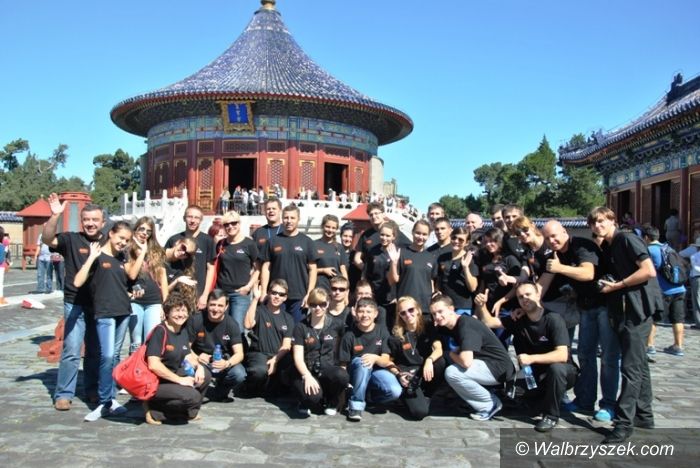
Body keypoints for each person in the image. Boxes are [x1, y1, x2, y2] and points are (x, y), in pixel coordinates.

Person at [539, 220, 619, 423]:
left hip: (605, 304)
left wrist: (560, 268)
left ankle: (608, 404)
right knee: (584, 355)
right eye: (547, 238)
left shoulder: (581, 245)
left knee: (608, 357)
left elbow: (587, 273)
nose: (552, 240)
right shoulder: (555, 255)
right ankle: (585, 400)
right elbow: (543, 283)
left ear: (564, 231)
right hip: (585, 306)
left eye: (554, 235)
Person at [589, 206, 657, 444]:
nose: (598, 225)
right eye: (594, 223)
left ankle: (623, 423)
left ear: (612, 220)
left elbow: (648, 271)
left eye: (602, 221)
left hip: (636, 311)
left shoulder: (627, 239)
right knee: (638, 364)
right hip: (624, 311)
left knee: (630, 367)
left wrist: (618, 285)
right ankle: (644, 414)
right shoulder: (609, 246)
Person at [477, 282, 577, 432]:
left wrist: (532, 358)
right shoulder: (518, 319)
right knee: (512, 391)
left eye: (528, 295)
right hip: (533, 374)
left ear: (538, 295)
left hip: (563, 372)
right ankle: (541, 401)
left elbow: (562, 355)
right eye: (520, 297)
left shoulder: (553, 318)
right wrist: (482, 305)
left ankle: (551, 416)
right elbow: (488, 322)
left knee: (556, 369)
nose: (525, 299)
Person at [44, 194, 105, 410]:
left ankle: (92, 389)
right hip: (74, 301)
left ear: (103, 222)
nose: (90, 223)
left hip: (99, 304)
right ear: (81, 221)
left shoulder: (109, 242)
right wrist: (55, 216)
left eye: (95, 220)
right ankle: (64, 393)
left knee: (95, 351)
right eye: (86, 219)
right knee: (71, 348)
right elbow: (48, 239)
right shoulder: (71, 239)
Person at [75, 221, 139, 422]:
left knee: (115, 356)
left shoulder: (121, 257)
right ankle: (104, 401)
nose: (123, 243)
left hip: (123, 311)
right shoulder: (96, 255)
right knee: (107, 355)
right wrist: (91, 258)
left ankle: (111, 398)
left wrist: (134, 289)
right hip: (104, 312)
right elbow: (77, 281)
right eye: (121, 238)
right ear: (110, 234)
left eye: (127, 240)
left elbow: (128, 279)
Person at [430, 294, 515, 420]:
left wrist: (450, 353)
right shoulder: (452, 325)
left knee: (452, 372)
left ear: (451, 309)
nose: (437, 316)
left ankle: (489, 404)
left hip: (499, 368)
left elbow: (466, 362)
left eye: (440, 311)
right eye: (434, 314)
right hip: (488, 364)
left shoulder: (465, 325)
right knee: (453, 362)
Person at [144, 291, 211, 424]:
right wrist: (180, 380)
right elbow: (153, 365)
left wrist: (199, 367)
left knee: (206, 375)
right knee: (192, 396)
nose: (181, 315)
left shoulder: (182, 331)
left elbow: (187, 355)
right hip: (156, 382)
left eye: (183, 311)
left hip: (173, 376)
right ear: (167, 313)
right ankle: (155, 410)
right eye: (176, 311)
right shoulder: (160, 331)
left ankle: (189, 412)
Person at [339, 297, 402, 422]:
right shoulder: (349, 335)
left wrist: (375, 358)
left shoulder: (382, 331)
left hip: (377, 370)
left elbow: (385, 360)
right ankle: (356, 406)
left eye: (369, 312)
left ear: (375, 314)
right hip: (356, 371)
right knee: (363, 362)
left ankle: (370, 398)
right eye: (361, 311)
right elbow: (343, 365)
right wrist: (343, 390)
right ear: (356, 313)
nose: (365, 315)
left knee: (395, 391)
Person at [290, 288, 349, 416]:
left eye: (322, 304)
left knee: (342, 376)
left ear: (328, 304)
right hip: (306, 369)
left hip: (327, 368)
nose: (318, 308)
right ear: (308, 305)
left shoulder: (337, 324)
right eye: (313, 304)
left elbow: (342, 349)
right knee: (313, 398)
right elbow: (298, 358)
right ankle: (306, 400)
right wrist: (307, 376)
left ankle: (331, 400)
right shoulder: (300, 327)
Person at [387, 296, 444, 420]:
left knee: (440, 362)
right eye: (403, 313)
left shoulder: (428, 326)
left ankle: (428, 395)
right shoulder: (396, 337)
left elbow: (439, 349)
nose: (408, 314)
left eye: (411, 310)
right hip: (409, 375)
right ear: (399, 315)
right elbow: (389, 361)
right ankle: (406, 399)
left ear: (418, 310)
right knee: (420, 413)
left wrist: (429, 360)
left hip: (425, 371)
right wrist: (398, 374)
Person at [259, 204, 318, 323]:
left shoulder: (307, 242)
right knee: (275, 329)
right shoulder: (272, 241)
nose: (289, 221)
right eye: (286, 218)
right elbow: (266, 268)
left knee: (297, 331)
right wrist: (264, 291)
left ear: (298, 219)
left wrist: (309, 293)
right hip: (277, 296)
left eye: (292, 218)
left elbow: (313, 269)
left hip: (299, 297)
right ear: (282, 219)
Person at [188, 289, 246, 402]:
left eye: (220, 305)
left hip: (222, 361)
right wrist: (197, 358)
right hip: (200, 361)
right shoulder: (196, 320)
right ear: (207, 305)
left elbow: (239, 354)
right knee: (187, 366)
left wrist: (227, 363)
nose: (215, 309)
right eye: (212, 305)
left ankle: (219, 393)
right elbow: (185, 348)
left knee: (239, 374)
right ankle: (196, 393)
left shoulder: (232, 324)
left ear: (226, 307)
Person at [126, 217, 169, 354]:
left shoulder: (156, 251)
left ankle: (147, 366)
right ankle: (134, 366)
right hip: (135, 301)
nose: (144, 233)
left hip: (154, 301)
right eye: (142, 229)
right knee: (136, 342)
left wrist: (165, 304)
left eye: (148, 231)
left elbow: (163, 279)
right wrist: (142, 252)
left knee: (151, 339)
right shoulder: (127, 249)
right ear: (135, 230)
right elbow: (132, 275)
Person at [243, 280, 294, 395]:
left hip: (278, 356)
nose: (277, 297)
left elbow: (286, 345)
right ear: (269, 293)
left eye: (281, 294)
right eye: (274, 293)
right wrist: (255, 299)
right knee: (259, 372)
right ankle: (250, 387)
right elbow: (248, 324)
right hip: (259, 354)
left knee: (292, 370)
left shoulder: (288, 318)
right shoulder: (259, 310)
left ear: (285, 298)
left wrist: (275, 360)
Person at [642, 225, 686, 356]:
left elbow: (648, 270)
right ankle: (678, 346)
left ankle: (650, 345)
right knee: (678, 319)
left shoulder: (649, 250)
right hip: (679, 288)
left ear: (646, 237)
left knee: (653, 318)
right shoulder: (668, 248)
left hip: (663, 290)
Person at [164, 205, 216, 310]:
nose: (193, 221)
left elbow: (211, 269)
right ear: (184, 218)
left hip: (198, 293)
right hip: (175, 292)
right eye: (190, 217)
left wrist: (205, 295)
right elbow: (163, 264)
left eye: (196, 218)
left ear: (201, 220)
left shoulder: (208, 241)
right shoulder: (173, 239)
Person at [215, 210, 259, 331]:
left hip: (240, 293)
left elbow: (258, 269)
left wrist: (248, 287)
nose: (230, 226)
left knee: (237, 329)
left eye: (234, 223)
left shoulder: (249, 244)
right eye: (226, 224)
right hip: (221, 292)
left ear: (239, 224)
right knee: (220, 327)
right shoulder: (221, 244)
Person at [388, 219, 437, 316]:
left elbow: (432, 282)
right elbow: (392, 280)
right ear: (412, 232)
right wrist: (393, 263)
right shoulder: (401, 253)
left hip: (425, 307)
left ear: (428, 235)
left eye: (424, 234)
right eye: (418, 233)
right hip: (405, 308)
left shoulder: (431, 257)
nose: (421, 237)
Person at [353, 201, 410, 273]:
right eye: (371, 215)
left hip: (390, 275)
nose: (374, 216)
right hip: (372, 277)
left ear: (383, 214)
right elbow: (357, 258)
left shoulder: (392, 231)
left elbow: (409, 247)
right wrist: (367, 270)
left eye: (376, 213)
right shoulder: (366, 235)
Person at [436, 227, 478, 315]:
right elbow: (439, 279)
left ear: (467, 242)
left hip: (462, 306)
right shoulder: (442, 257)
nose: (456, 241)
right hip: (445, 305)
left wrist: (465, 267)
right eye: (454, 238)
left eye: (461, 240)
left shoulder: (470, 258)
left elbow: (473, 287)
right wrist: (437, 291)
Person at [315, 214, 348, 293]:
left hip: (337, 290)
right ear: (322, 226)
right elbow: (308, 269)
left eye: (333, 228)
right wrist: (323, 270)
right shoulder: (314, 245)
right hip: (320, 288)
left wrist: (346, 289)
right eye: (328, 227)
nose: (330, 230)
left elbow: (343, 270)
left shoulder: (339, 247)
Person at [679, 235, 700, 328]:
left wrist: (687, 265)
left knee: (697, 300)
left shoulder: (694, 256)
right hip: (696, 277)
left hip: (697, 277)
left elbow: (695, 268)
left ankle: (698, 322)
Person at [340, 222, 361, 292]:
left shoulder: (357, 255)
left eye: (350, 237)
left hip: (353, 291)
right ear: (341, 236)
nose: (347, 239)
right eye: (345, 236)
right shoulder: (334, 252)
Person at [0, 226, 6, 305]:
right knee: (0, 283)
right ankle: (0, 298)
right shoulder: (1, 246)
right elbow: (1, 259)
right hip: (1, 267)